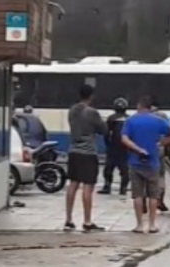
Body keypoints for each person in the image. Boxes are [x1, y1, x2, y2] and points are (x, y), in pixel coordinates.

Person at [121, 96, 170, 234]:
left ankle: (139, 225)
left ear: (139, 106)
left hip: (135, 162)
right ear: (150, 107)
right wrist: (161, 143)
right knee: (153, 195)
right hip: (153, 162)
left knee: (138, 195)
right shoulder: (158, 121)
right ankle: (152, 225)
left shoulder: (131, 121)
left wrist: (137, 149)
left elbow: (124, 138)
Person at [64, 84, 107, 232]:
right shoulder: (92, 112)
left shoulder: (72, 110)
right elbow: (103, 129)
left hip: (73, 151)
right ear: (91, 96)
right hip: (88, 152)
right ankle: (87, 221)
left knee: (73, 185)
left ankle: (68, 219)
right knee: (88, 187)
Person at [98, 97, 130, 195]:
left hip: (113, 147)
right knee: (125, 169)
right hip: (125, 148)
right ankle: (123, 188)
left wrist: (108, 145)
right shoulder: (129, 119)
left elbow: (106, 133)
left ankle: (107, 186)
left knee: (109, 168)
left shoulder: (111, 118)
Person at [150, 103, 170, 212]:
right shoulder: (162, 116)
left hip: (143, 150)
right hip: (159, 149)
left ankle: (143, 201)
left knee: (144, 176)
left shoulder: (142, 116)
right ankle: (159, 200)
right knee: (160, 176)